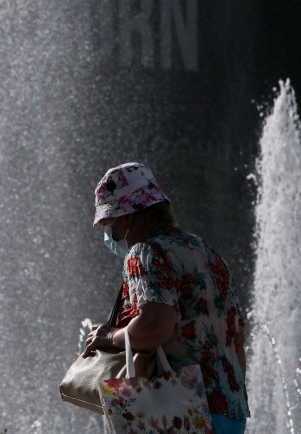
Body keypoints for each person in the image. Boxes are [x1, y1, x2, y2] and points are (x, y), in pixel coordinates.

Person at [83, 162, 250, 434]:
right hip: (230, 409)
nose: (110, 235)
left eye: (110, 223)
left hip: (182, 408)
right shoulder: (204, 251)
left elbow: (155, 326)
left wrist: (108, 336)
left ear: (128, 217)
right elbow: (237, 334)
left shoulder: (145, 253)